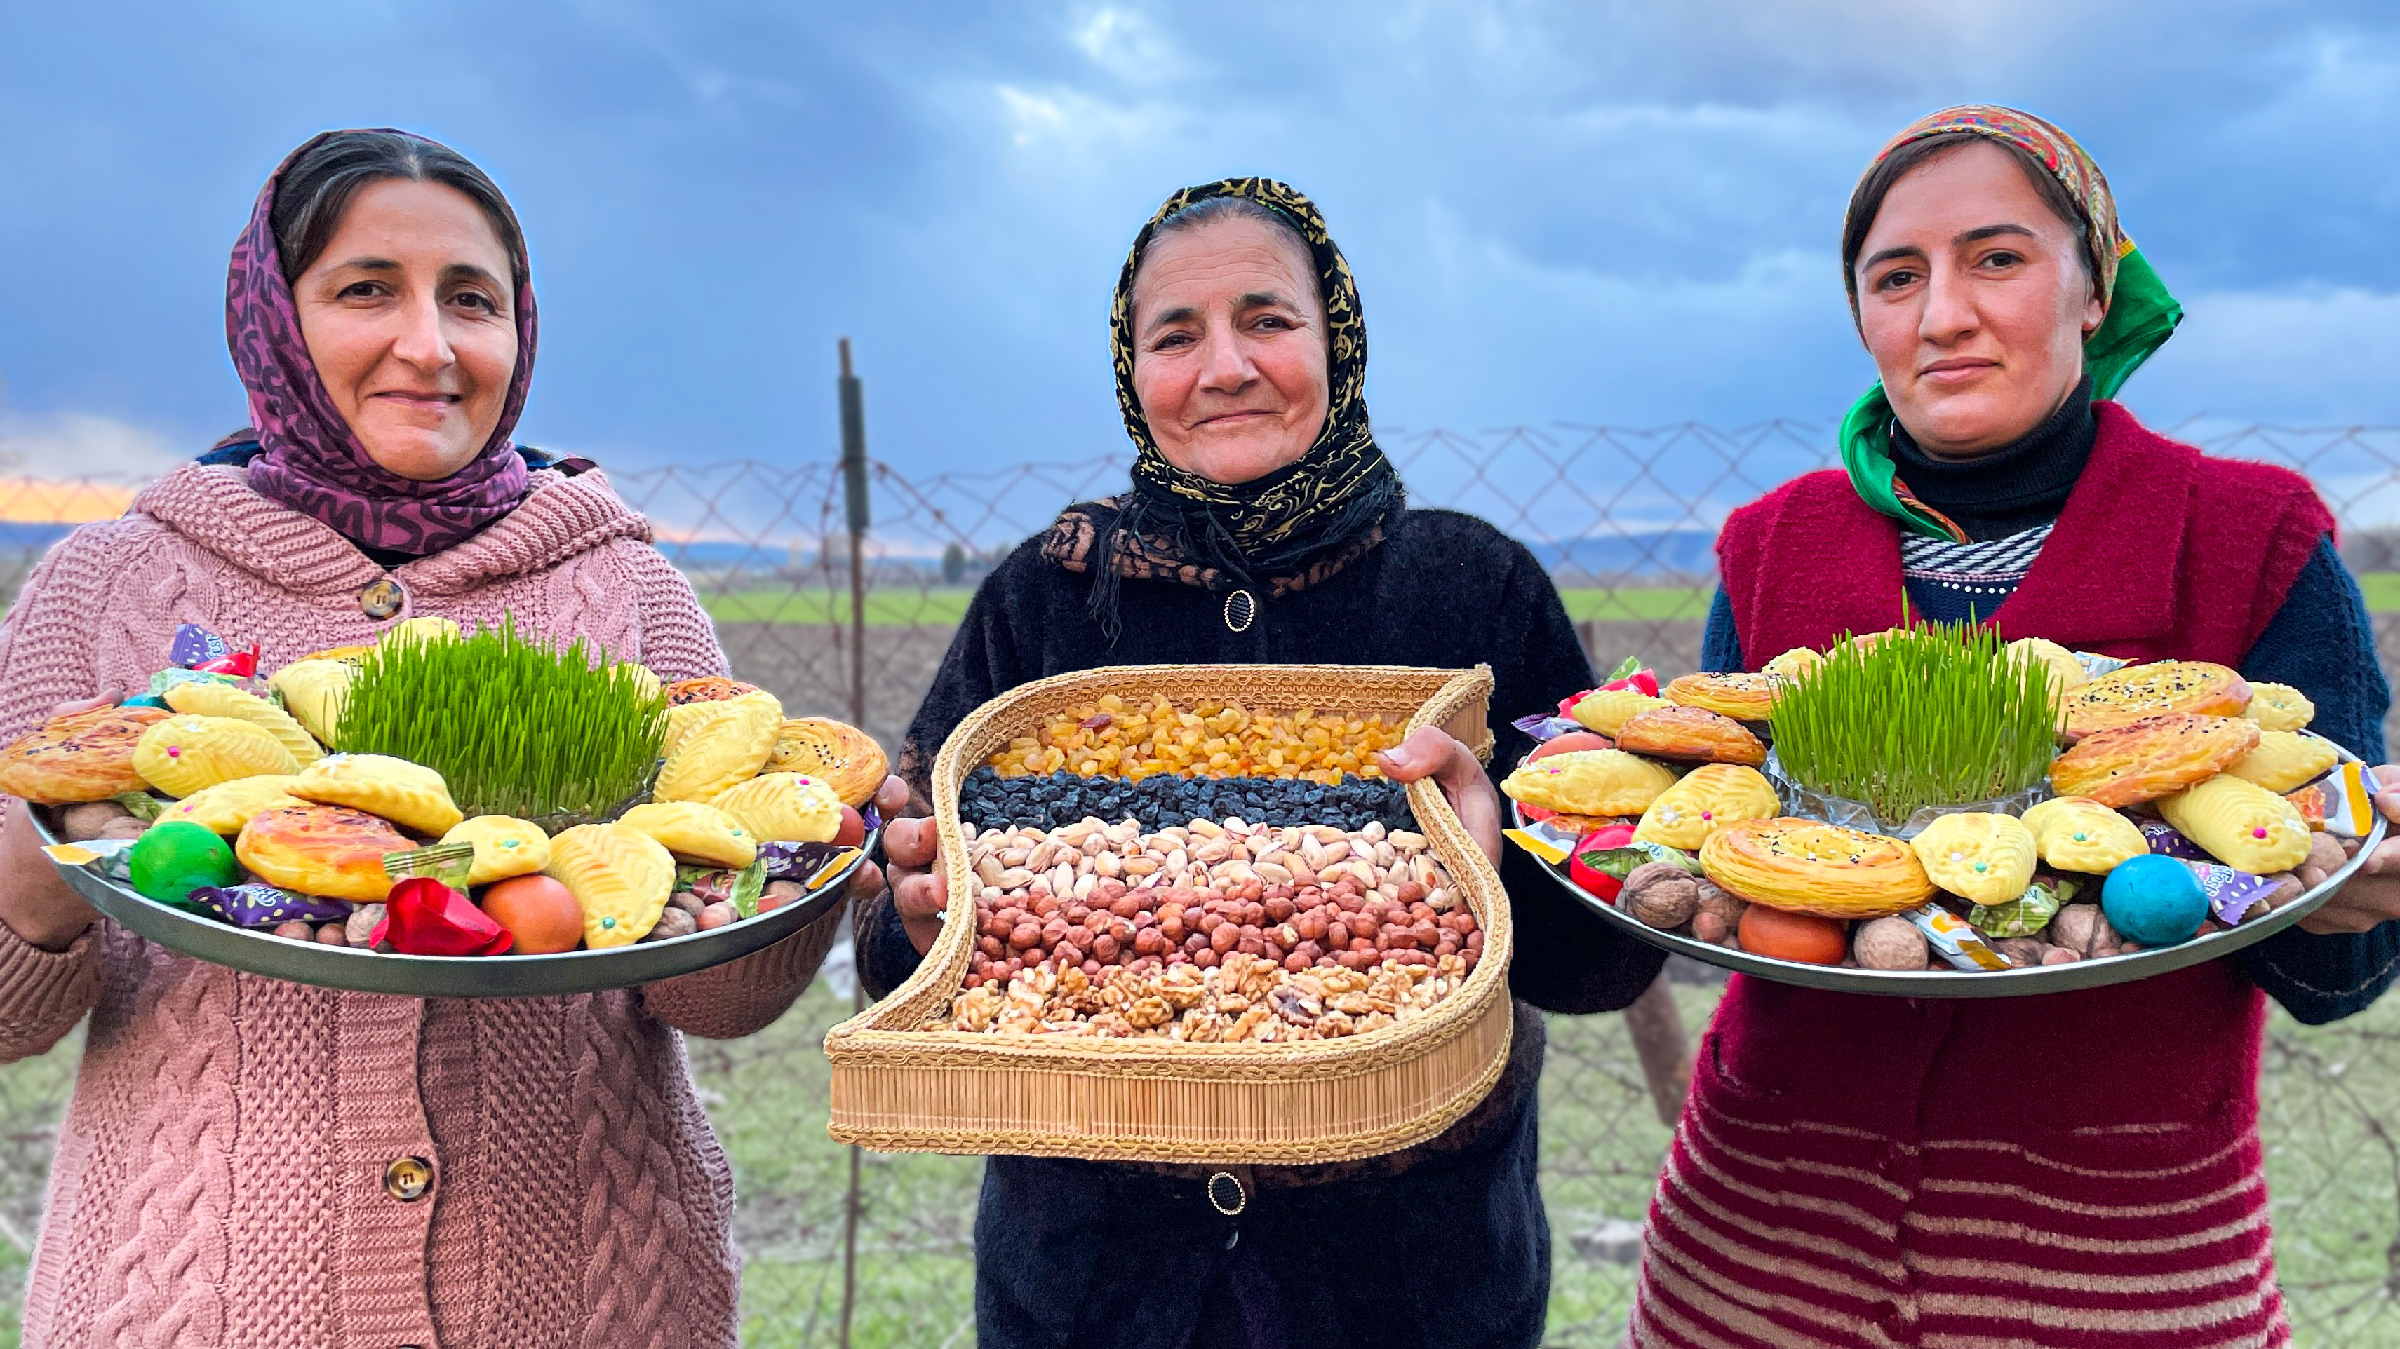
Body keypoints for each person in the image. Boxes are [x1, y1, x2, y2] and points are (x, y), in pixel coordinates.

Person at [0, 129, 873, 1348]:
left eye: (474, 298)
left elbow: (720, 995)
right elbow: (8, 1015)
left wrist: (805, 871)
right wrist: (49, 875)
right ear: (271, 318)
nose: (432, 343)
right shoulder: (108, 583)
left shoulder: (624, 587)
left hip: (584, 1299)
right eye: (367, 288)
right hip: (194, 1301)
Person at [1627, 105, 2400, 1348]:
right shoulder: (1773, 548)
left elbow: (2334, 974)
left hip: (2121, 1261)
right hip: (1760, 1250)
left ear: (2094, 287)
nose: (1942, 315)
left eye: (1997, 258)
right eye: (1896, 277)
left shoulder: (2252, 543)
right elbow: (1715, 868)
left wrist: (2352, 890)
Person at [851, 178, 1666, 1349]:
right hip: (1090, 1291)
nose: (1223, 365)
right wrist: (922, 920)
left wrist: (1498, 879)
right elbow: (895, 951)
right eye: (1174, 335)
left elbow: (1605, 966)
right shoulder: (1046, 603)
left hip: (1410, 1291)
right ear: (1131, 371)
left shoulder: (1470, 590)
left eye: (1267, 320)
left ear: (1337, 338)